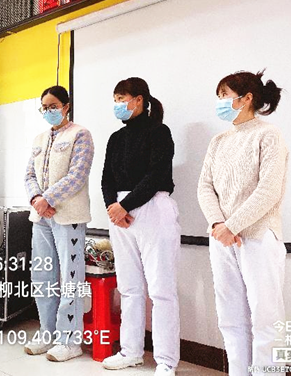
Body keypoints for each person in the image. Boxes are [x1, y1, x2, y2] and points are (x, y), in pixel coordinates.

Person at [197, 71, 288, 376]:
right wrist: (218, 223)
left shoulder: (268, 135)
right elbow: (204, 187)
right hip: (221, 237)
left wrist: (232, 226)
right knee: (230, 316)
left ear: (247, 98)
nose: (220, 101)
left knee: (265, 316)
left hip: (259, 235)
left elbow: (269, 189)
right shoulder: (218, 141)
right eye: (219, 95)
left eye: (225, 95)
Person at [101, 77, 180, 376]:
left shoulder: (159, 132)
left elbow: (157, 174)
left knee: (161, 289)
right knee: (129, 287)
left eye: (122, 98)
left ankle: (166, 361)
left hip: (152, 207)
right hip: (119, 213)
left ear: (139, 100)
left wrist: (125, 205)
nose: (118, 105)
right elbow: (106, 179)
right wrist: (113, 207)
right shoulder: (115, 138)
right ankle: (131, 351)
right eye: (115, 99)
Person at [23, 85, 95, 362]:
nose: (49, 111)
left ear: (66, 106)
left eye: (53, 106)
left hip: (68, 216)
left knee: (71, 278)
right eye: (44, 107)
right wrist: (36, 199)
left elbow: (78, 175)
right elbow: (29, 174)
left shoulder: (80, 134)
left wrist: (48, 198)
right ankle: (47, 332)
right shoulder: (39, 138)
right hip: (41, 217)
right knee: (42, 275)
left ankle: (70, 340)